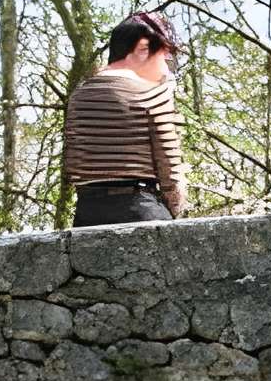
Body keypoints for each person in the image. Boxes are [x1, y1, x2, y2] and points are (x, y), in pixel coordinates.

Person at [61, 11, 188, 226]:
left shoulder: (78, 96)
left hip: (87, 213)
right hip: (141, 208)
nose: (166, 67)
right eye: (163, 57)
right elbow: (170, 172)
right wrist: (174, 211)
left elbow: (73, 163)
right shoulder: (153, 94)